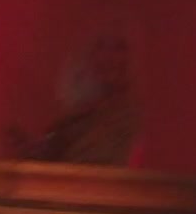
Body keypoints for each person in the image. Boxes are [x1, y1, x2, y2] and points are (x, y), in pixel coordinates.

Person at [33, 33, 141, 167]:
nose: (109, 57)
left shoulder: (126, 116)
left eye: (119, 48)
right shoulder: (77, 115)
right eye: (101, 47)